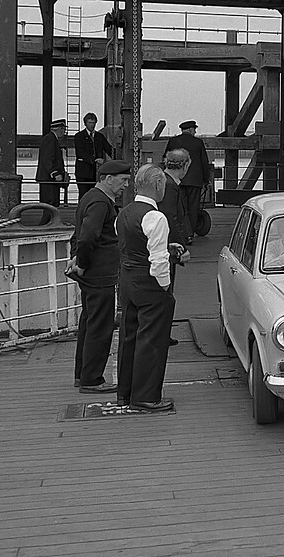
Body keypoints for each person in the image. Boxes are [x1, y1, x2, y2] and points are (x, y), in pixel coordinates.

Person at [115, 164, 176, 412]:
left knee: (128, 337)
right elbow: (158, 260)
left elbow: (128, 245)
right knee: (152, 340)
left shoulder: (124, 213)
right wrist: (164, 286)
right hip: (148, 283)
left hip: (127, 279)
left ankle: (125, 393)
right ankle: (146, 396)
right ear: (159, 185)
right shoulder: (155, 217)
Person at [67, 160, 131, 393]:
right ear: (108, 178)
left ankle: (81, 374)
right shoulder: (100, 203)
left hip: (93, 273)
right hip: (100, 273)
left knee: (89, 322)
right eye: (123, 180)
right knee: (100, 326)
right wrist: (82, 263)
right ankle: (92, 379)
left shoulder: (90, 197)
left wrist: (77, 257)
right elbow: (87, 236)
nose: (125, 185)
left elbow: (79, 235)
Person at [161, 148, 192, 345]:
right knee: (166, 290)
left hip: (164, 245)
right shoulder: (170, 186)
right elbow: (171, 218)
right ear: (185, 165)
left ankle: (163, 332)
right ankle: (162, 333)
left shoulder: (167, 182)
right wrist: (181, 247)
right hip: (167, 248)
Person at [163, 120, 211, 243]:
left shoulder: (173, 141)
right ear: (190, 130)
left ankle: (184, 233)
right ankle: (191, 234)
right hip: (195, 181)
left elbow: (165, 158)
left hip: (177, 179)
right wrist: (206, 179)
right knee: (193, 207)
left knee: (180, 207)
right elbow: (204, 162)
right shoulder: (198, 143)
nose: (195, 131)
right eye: (194, 129)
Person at [73, 112, 114, 200]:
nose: (92, 125)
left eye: (93, 123)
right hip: (83, 171)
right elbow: (80, 153)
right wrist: (94, 160)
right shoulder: (79, 136)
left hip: (96, 172)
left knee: (94, 193)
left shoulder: (100, 137)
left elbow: (108, 149)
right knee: (83, 194)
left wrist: (113, 159)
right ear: (85, 123)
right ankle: (82, 211)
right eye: (89, 123)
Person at [36, 118, 68, 225]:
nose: (64, 133)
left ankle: (46, 225)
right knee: (50, 204)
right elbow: (48, 158)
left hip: (48, 178)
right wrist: (55, 173)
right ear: (59, 129)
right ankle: (43, 226)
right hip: (48, 179)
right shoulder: (50, 139)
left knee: (51, 204)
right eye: (63, 130)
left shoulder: (50, 139)